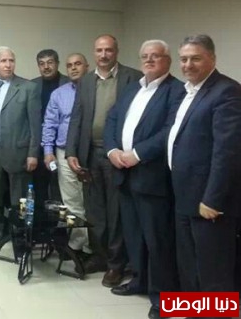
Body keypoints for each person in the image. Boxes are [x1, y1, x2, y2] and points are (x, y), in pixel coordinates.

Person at [104, 40, 183, 319]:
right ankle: (139, 280)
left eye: (155, 56)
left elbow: (170, 130)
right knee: (134, 236)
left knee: (157, 241)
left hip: (152, 177)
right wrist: (112, 150)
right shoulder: (132, 88)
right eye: (145, 56)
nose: (149, 60)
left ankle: (163, 298)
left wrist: (137, 154)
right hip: (124, 175)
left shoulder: (176, 90)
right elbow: (112, 119)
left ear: (167, 60)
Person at [65, 34, 142, 287]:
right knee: (94, 210)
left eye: (108, 50)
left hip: (117, 155)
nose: (104, 54)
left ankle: (116, 264)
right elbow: (77, 117)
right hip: (89, 154)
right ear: (94, 53)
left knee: (115, 211)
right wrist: (71, 151)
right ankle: (99, 256)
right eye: (99, 50)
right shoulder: (86, 81)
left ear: (116, 51)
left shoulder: (132, 77)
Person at [168, 34, 241, 299]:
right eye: (184, 59)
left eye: (195, 58)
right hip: (185, 195)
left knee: (213, 272)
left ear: (212, 58)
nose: (188, 65)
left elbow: (227, 152)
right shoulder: (188, 91)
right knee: (190, 266)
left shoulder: (227, 91)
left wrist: (213, 199)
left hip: (209, 201)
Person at [0, 46, 41, 246]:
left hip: (19, 151)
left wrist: (33, 153)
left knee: (19, 198)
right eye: (3, 61)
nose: (8, 65)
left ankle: (20, 235)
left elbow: (35, 124)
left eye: (11, 60)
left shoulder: (28, 87)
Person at [41, 53, 91, 257]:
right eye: (70, 65)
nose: (74, 68)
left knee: (93, 202)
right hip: (63, 153)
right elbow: (49, 124)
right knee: (71, 202)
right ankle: (78, 245)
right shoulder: (59, 94)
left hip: (91, 153)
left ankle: (96, 246)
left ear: (87, 66)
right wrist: (48, 151)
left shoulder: (96, 90)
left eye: (78, 64)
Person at [32, 49, 69, 206]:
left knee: (61, 187)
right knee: (39, 186)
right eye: (42, 64)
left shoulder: (70, 83)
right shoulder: (32, 85)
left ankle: (60, 220)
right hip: (38, 144)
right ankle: (41, 218)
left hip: (63, 144)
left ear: (57, 64)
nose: (46, 67)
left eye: (50, 62)